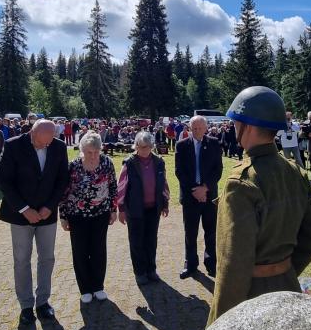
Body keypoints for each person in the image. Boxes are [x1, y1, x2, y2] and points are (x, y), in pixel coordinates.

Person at [207, 86, 311, 325]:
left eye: (236, 122)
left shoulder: (241, 183)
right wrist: (283, 271)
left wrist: (218, 325)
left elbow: (233, 265)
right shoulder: (296, 173)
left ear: (246, 126)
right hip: (288, 290)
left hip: (250, 302)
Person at [0, 119, 69, 325]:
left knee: (47, 258)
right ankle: (26, 305)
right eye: (41, 142)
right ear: (32, 133)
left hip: (47, 214)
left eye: (49, 142)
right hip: (20, 215)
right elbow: (4, 181)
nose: (45, 146)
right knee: (21, 260)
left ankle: (43, 302)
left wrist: (50, 206)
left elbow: (62, 179)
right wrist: (24, 209)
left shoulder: (59, 146)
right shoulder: (12, 145)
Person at [60, 132, 117, 304]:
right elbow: (64, 192)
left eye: (96, 152)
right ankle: (85, 289)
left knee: (99, 250)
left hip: (101, 214)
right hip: (76, 215)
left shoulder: (107, 163)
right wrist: (63, 216)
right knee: (80, 251)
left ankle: (98, 286)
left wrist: (113, 210)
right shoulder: (74, 166)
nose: (92, 155)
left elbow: (113, 187)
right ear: (82, 150)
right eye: (88, 152)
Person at [117, 131, 170, 286]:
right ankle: (140, 272)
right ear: (136, 146)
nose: (143, 150)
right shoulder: (129, 163)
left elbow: (164, 184)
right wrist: (121, 209)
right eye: (140, 147)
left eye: (146, 147)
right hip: (134, 210)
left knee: (151, 241)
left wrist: (165, 204)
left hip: (153, 209)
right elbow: (121, 187)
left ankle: (151, 270)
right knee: (136, 242)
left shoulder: (159, 162)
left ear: (152, 146)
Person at [175, 115, 223, 279]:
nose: (197, 131)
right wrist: (195, 190)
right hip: (190, 196)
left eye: (200, 128)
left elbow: (218, 170)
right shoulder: (181, 145)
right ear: (189, 128)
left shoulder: (214, 143)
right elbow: (179, 172)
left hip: (209, 196)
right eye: (194, 128)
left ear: (206, 128)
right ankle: (191, 264)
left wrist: (205, 188)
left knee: (210, 231)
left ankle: (211, 264)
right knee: (191, 232)